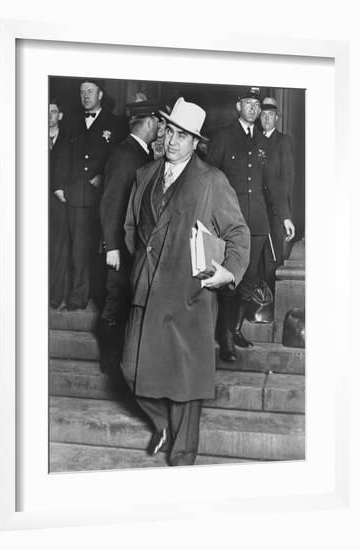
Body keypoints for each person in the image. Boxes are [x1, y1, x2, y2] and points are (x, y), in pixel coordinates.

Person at [121, 98, 250, 466]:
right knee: (130, 371)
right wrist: (146, 265)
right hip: (146, 291)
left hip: (188, 298)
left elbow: (238, 234)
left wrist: (228, 271)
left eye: (183, 136)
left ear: (196, 142)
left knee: (184, 389)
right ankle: (161, 425)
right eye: (170, 131)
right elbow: (132, 229)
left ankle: (182, 463)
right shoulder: (145, 175)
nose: (173, 141)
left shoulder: (212, 181)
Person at [206, 88, 288, 361]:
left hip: (259, 221)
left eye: (256, 104)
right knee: (231, 279)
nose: (253, 108)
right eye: (248, 103)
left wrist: (285, 215)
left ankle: (235, 327)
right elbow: (210, 177)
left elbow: (273, 184)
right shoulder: (224, 136)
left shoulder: (264, 142)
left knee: (250, 280)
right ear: (238, 105)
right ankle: (226, 339)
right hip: (232, 222)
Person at [99, 100, 163, 373]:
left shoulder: (140, 152)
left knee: (125, 301)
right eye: (158, 122)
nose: (160, 127)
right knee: (115, 303)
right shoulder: (126, 154)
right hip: (121, 247)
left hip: (132, 245)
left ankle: (120, 359)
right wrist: (112, 246)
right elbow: (110, 202)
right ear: (149, 123)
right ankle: (110, 363)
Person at [52, 79, 126, 311]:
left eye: (90, 91)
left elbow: (119, 157)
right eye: (82, 92)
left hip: (103, 198)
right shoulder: (72, 123)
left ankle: (101, 296)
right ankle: (78, 298)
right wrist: (58, 186)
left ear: (100, 95)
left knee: (103, 249)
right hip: (75, 196)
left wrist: (104, 175)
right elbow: (62, 155)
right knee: (78, 250)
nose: (85, 96)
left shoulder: (115, 124)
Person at [259, 97, 295, 293]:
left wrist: (285, 215)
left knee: (273, 259)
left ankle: (270, 301)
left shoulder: (283, 141)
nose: (266, 118)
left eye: (270, 115)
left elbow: (287, 181)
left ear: (277, 118)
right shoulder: (255, 140)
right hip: (256, 208)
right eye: (263, 115)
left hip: (275, 211)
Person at [49, 98, 71, 309]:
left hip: (59, 204)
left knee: (58, 250)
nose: (49, 116)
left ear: (60, 115)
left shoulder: (69, 138)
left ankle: (55, 295)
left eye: (53, 112)